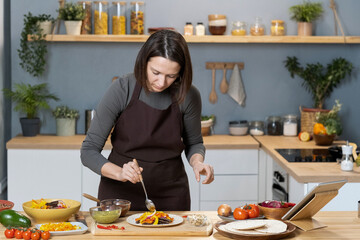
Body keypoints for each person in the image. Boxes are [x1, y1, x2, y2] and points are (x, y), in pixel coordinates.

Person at [81, 29, 214, 211]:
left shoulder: (189, 95)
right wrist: (120, 172)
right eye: (156, 72)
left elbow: (194, 143)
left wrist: (197, 162)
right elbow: (88, 151)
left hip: (171, 194)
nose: (161, 82)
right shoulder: (122, 88)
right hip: (120, 195)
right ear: (144, 62)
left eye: (171, 76)